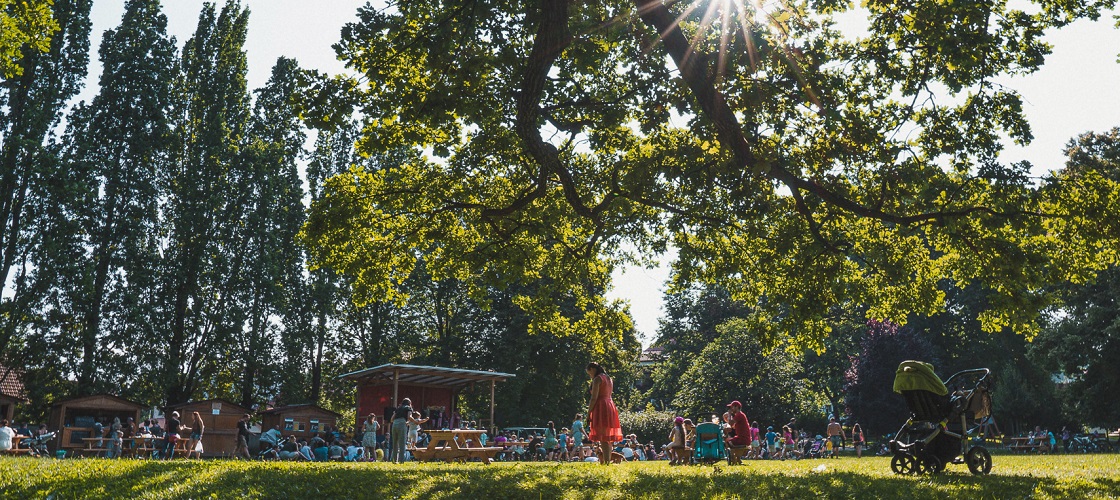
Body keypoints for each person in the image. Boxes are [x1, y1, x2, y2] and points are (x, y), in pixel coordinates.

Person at [586, 362, 623, 465]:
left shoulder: (598, 379)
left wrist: (588, 413)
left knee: (603, 436)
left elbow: (594, 398)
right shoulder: (608, 378)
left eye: (589, 373)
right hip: (610, 405)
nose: (590, 376)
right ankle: (607, 460)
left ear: (593, 369)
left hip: (601, 406)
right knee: (608, 436)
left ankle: (606, 462)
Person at [389, 398, 424, 463]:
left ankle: (394, 460)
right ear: (409, 403)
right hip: (402, 423)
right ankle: (401, 461)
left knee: (395, 443)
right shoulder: (408, 408)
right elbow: (409, 417)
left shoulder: (398, 408)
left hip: (394, 424)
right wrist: (415, 422)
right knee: (402, 443)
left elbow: (391, 419)